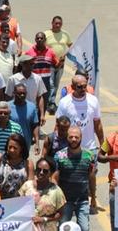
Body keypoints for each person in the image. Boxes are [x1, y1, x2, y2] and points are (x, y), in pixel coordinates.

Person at [56, 74, 104, 213]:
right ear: (72, 87)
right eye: (79, 87)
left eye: (85, 86)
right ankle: (67, 203)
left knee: (91, 175)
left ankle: (90, 200)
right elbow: (59, 124)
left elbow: (97, 124)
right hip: (70, 146)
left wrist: (102, 144)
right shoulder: (65, 102)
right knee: (69, 176)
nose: (83, 89)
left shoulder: (93, 101)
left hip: (89, 147)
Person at [53, 126, 95, 231]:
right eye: (71, 137)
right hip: (65, 201)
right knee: (63, 228)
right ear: (67, 138)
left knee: (85, 228)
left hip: (83, 200)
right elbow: (54, 179)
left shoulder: (89, 156)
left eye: (76, 137)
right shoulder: (59, 156)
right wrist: (56, 199)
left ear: (81, 137)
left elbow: (92, 177)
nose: (73, 139)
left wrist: (93, 197)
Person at [19, 157, 66, 231]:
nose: (41, 172)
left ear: (51, 173)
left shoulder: (57, 191)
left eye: (45, 171)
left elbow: (60, 214)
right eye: (38, 169)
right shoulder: (27, 186)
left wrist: (44, 219)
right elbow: (18, 206)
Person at [0, 133, 34, 199]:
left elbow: (30, 186)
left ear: (21, 148)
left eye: (15, 148)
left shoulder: (28, 163)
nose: (12, 150)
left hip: (18, 201)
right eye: (10, 147)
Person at [44, 16, 72, 113]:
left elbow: (71, 45)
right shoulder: (46, 34)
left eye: (60, 23)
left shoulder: (65, 34)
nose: (58, 25)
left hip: (61, 63)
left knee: (56, 84)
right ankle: (49, 102)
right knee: (50, 83)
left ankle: (51, 102)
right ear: (52, 23)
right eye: (56, 23)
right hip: (49, 63)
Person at [9, 84, 40, 153]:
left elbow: (35, 125)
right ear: (14, 93)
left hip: (26, 144)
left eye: (24, 93)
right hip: (11, 144)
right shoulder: (7, 107)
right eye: (19, 93)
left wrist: (37, 143)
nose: (22, 95)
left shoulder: (32, 107)